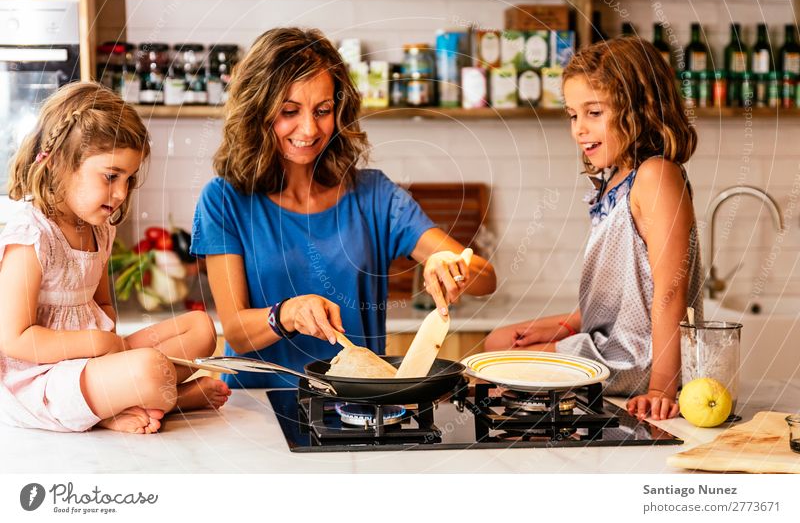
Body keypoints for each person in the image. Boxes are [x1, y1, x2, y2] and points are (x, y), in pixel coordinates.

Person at [192, 27, 497, 388]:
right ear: (258, 112)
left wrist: (450, 265)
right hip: (261, 412)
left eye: (323, 110)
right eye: (289, 111)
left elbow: (486, 278)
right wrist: (287, 313)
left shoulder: (374, 195)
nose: (309, 128)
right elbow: (238, 332)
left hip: (362, 411)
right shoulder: (224, 201)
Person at [485, 37, 704, 421]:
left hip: (640, 356)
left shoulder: (656, 177)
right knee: (498, 343)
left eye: (594, 112)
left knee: (494, 370)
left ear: (641, 109)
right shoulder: (615, 180)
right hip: (615, 341)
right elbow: (624, 293)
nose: (579, 129)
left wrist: (662, 387)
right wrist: (568, 324)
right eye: (573, 115)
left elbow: (670, 293)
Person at [0, 82, 230, 434]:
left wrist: (108, 347)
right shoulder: (31, 233)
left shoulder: (100, 228)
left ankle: (130, 399)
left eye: (129, 178)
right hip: (39, 379)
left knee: (201, 329)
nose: (122, 193)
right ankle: (173, 399)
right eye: (110, 177)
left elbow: (104, 305)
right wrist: (94, 344)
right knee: (150, 369)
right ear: (61, 163)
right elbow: (15, 338)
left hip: (96, 360)